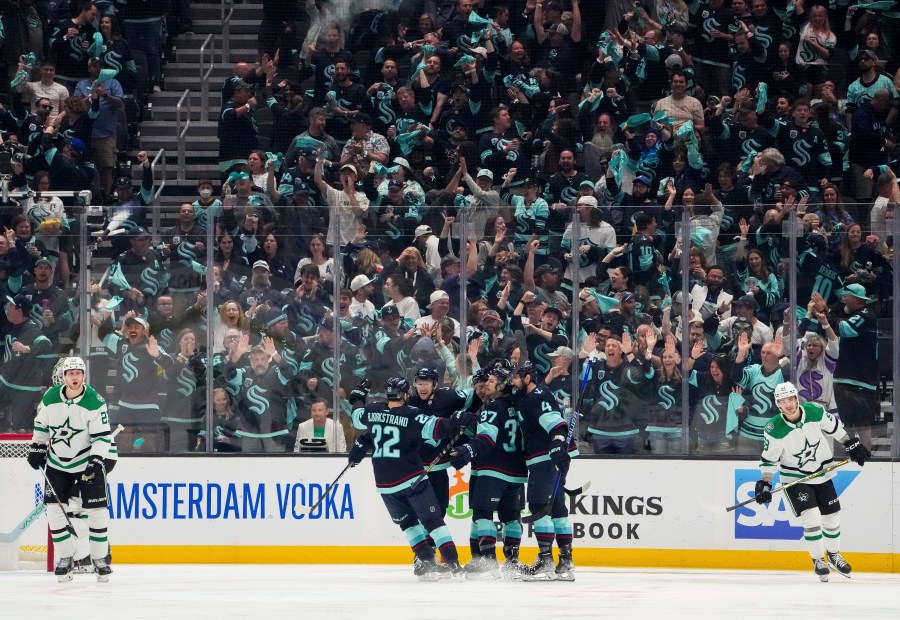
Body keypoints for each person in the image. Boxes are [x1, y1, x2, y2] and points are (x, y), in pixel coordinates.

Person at [348, 377, 471, 580]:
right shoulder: (412, 414)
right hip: (412, 479)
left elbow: (356, 416)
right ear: (405, 395)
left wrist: (358, 397)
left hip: (385, 485)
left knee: (408, 525)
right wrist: (459, 420)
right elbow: (438, 428)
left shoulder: (373, 410)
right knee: (434, 522)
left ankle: (428, 564)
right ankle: (455, 566)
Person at [754, 382, 871, 581]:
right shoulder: (774, 428)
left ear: (797, 399)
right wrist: (765, 482)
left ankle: (834, 556)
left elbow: (835, 427)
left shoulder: (815, 411)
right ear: (778, 404)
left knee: (831, 517)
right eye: (783, 401)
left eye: (791, 399)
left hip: (822, 473)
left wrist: (850, 443)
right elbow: (769, 459)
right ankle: (818, 560)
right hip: (794, 477)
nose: (789, 404)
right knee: (811, 516)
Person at [27, 356, 113, 582]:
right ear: (63, 376)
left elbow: (103, 437)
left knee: (97, 512)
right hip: (56, 464)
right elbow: (41, 425)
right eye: (70, 373)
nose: (75, 377)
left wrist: (96, 460)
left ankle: (100, 559)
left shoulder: (94, 401)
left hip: (86, 462)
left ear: (83, 375)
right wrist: (37, 446)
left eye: (78, 373)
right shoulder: (50, 397)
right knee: (54, 511)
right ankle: (65, 557)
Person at [451, 364, 527, 579]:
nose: (487, 385)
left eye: (491, 382)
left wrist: (468, 448)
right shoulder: (518, 404)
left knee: (483, 513)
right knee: (511, 517)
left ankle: (488, 561)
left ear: (501, 385)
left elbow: (486, 439)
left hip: (492, 468)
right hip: (516, 470)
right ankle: (512, 563)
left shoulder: (493, 407)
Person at [510, 360, 577, 581]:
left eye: (517, 377)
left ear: (528, 377)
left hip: (544, 458)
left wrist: (558, 442)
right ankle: (566, 563)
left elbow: (556, 423)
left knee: (539, 506)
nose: (513, 381)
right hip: (549, 458)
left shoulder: (536, 396)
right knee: (558, 510)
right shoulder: (529, 396)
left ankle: (546, 562)